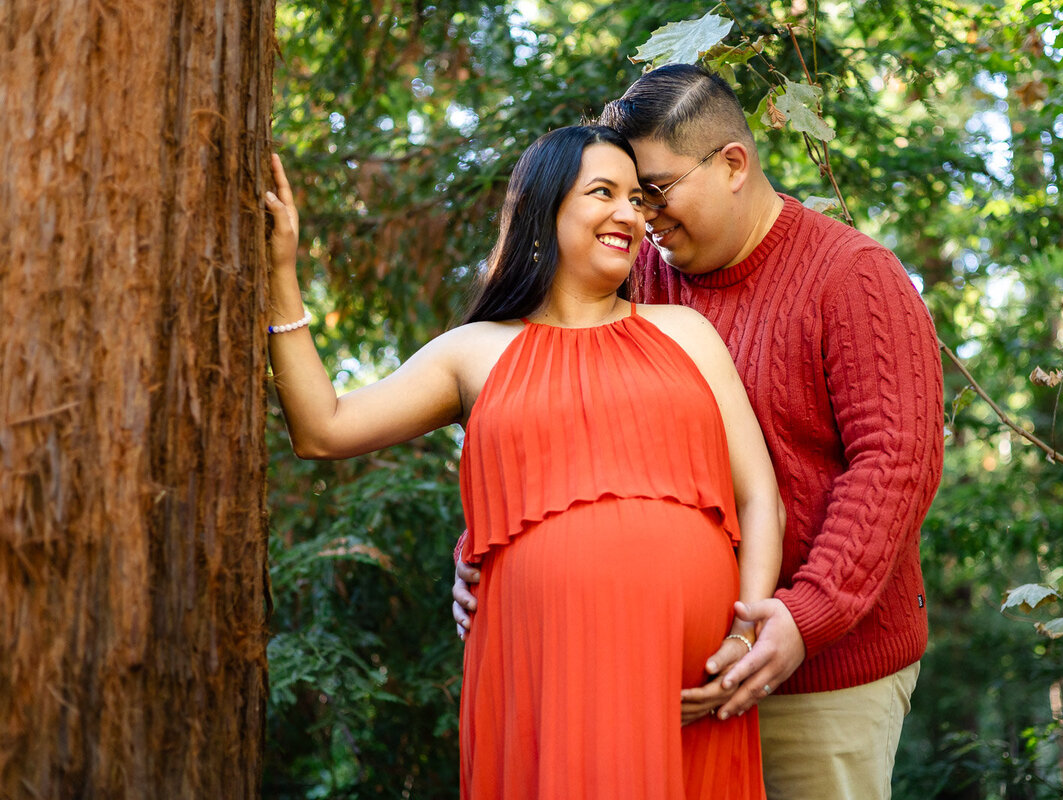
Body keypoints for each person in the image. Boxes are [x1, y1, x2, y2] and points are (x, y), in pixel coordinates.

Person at [454, 67, 945, 799]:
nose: (641, 213)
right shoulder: (636, 277)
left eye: (654, 188)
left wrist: (804, 617)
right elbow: (563, 416)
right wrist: (484, 549)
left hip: (818, 679)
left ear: (733, 164)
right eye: (623, 193)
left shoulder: (853, 276)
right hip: (662, 684)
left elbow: (895, 465)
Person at [265, 124, 783, 799]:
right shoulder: (474, 351)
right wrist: (280, 276)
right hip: (545, 666)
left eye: (637, 198)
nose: (629, 213)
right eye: (604, 192)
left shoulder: (686, 334)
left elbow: (759, 500)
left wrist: (745, 642)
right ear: (545, 208)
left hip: (692, 688)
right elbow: (323, 429)